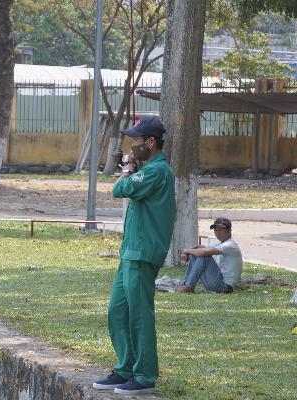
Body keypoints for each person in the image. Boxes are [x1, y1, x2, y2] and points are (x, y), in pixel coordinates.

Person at [93, 116, 175, 395]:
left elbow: (120, 189)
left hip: (143, 251)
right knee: (118, 312)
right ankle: (125, 367)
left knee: (139, 315)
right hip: (130, 251)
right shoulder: (148, 168)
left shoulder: (156, 171)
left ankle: (145, 375)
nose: (132, 146)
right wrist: (132, 167)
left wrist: (129, 169)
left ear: (151, 143)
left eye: (136, 141)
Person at [175, 217, 243, 294]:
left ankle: (189, 286)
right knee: (196, 253)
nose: (218, 233)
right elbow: (198, 247)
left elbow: (203, 253)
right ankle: (186, 284)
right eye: (216, 231)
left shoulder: (230, 245)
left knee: (204, 255)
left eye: (221, 230)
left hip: (224, 286)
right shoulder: (221, 243)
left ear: (229, 230)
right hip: (216, 283)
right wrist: (186, 252)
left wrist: (187, 251)